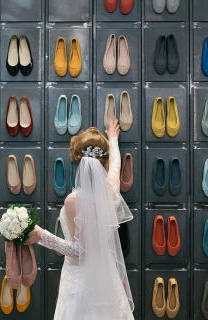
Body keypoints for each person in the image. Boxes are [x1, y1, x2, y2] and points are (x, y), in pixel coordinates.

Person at [26, 120, 134, 319]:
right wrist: (113, 139)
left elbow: (80, 252)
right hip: (106, 278)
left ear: (78, 162)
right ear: (103, 163)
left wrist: (41, 235)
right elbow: (116, 166)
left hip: (80, 278)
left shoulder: (73, 201)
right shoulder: (111, 191)